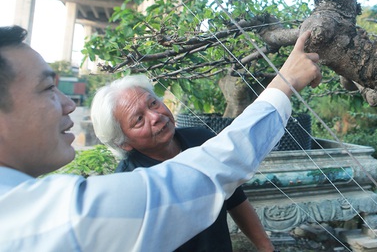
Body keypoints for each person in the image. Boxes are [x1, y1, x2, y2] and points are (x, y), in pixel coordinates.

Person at [0, 25, 321, 251]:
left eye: (153, 103)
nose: (69, 103)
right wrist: (285, 82)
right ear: (124, 142)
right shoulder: (61, 214)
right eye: (47, 89)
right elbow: (213, 169)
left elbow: (229, 187)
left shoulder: (196, 136)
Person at [91, 74, 275, 252]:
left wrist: (266, 247)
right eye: (139, 119)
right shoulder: (127, 183)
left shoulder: (203, 141)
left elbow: (235, 198)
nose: (155, 116)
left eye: (153, 103)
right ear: (122, 142)